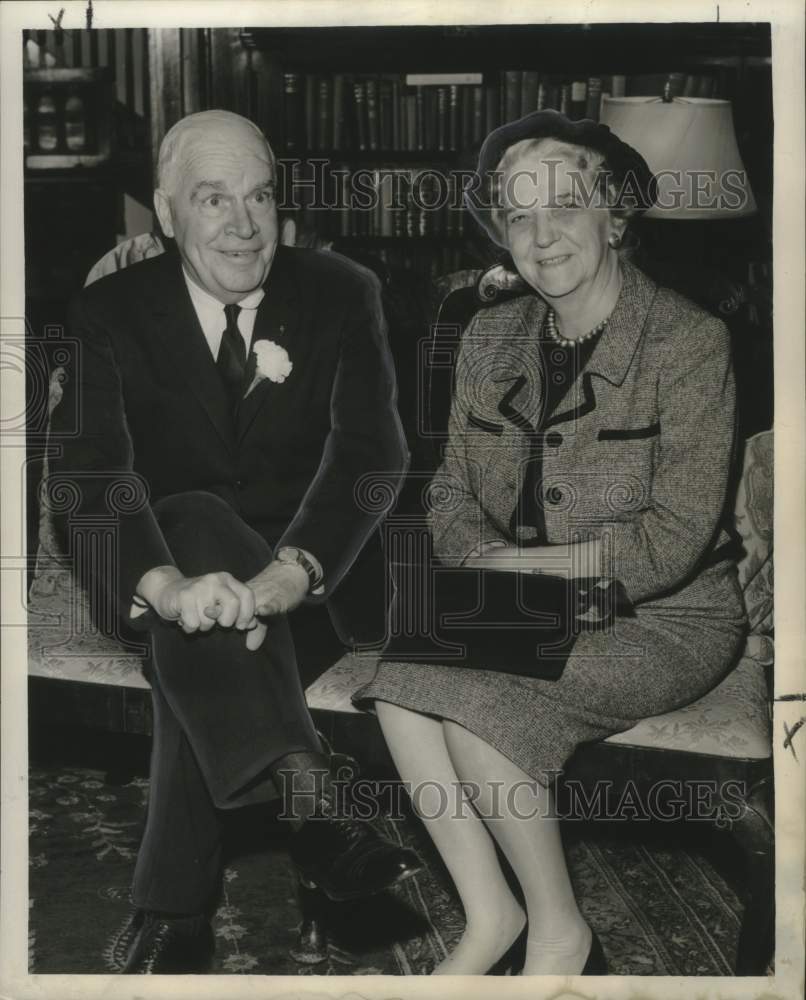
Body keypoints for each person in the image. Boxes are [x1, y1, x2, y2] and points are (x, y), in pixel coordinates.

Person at [353, 109, 747, 975]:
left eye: (564, 205)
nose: (542, 234)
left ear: (615, 216)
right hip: (521, 597)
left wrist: (525, 573)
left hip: (664, 617)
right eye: (519, 215)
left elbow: (674, 536)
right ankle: (492, 913)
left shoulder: (688, 341)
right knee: (399, 687)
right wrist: (484, 567)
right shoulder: (489, 336)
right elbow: (450, 489)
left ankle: (560, 930)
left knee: (482, 712)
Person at [48, 109, 420, 974]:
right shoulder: (107, 311)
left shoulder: (340, 291)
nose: (244, 224)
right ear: (166, 214)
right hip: (161, 571)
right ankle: (312, 804)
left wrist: (298, 568)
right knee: (192, 524)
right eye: (213, 200)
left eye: (259, 197)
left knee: (200, 650)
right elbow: (91, 478)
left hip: (318, 584)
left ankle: (174, 911)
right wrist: (169, 586)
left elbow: (376, 453)